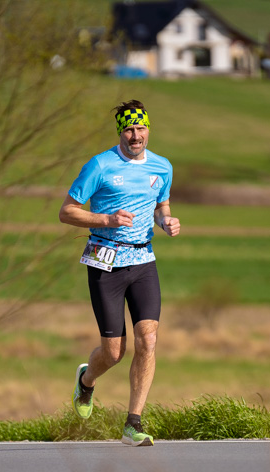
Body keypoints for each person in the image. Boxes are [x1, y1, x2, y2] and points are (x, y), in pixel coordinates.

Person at [58, 100, 180, 447]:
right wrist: (107, 220)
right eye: (129, 129)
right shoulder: (100, 165)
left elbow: (161, 205)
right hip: (105, 261)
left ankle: (133, 423)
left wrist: (166, 221)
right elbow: (67, 212)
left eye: (141, 128)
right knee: (113, 353)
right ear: (120, 132)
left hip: (143, 261)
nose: (135, 135)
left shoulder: (162, 166)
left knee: (149, 340)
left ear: (148, 130)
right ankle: (86, 382)